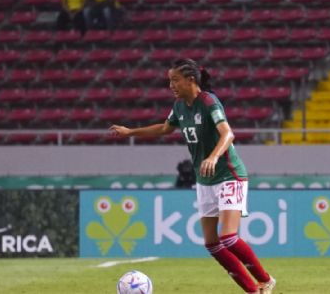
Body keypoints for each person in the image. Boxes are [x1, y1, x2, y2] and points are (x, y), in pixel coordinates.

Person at [110, 59, 277, 294]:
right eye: (169, 81)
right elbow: (164, 128)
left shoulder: (209, 101)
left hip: (229, 175)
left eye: (175, 80)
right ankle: (253, 290)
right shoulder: (179, 106)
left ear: (191, 80)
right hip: (205, 180)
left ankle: (265, 279)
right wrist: (131, 132)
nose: (171, 85)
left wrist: (212, 157)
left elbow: (228, 134)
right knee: (212, 244)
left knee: (228, 237)